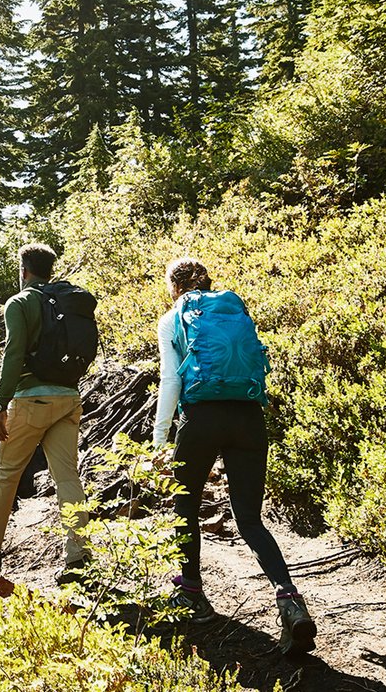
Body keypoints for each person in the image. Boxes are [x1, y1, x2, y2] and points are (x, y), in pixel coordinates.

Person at [153, 256, 316, 654]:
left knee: (185, 507)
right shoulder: (233, 308)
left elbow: (172, 379)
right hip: (248, 417)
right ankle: (290, 600)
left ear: (173, 286)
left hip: (201, 419)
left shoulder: (173, 317)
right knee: (249, 518)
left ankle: (192, 593)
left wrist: (160, 439)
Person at [0, 243, 93, 582]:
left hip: (31, 401)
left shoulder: (20, 303)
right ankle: (79, 558)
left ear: (24, 271)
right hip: (69, 398)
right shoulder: (66, 301)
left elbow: (14, 353)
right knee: (67, 476)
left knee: (7, 473)